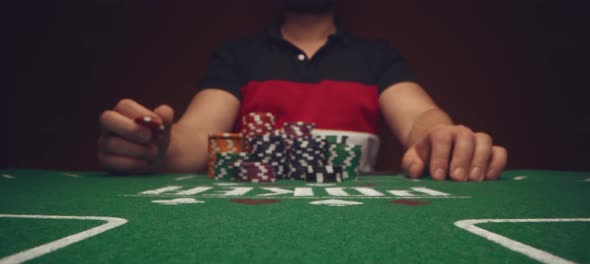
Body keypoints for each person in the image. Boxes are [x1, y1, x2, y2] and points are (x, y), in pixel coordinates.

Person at [97, 0, 507, 181]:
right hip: (248, 222)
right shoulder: (238, 55)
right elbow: (196, 137)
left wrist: (440, 136)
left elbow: (420, 117)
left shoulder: (377, 57)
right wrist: (157, 145)